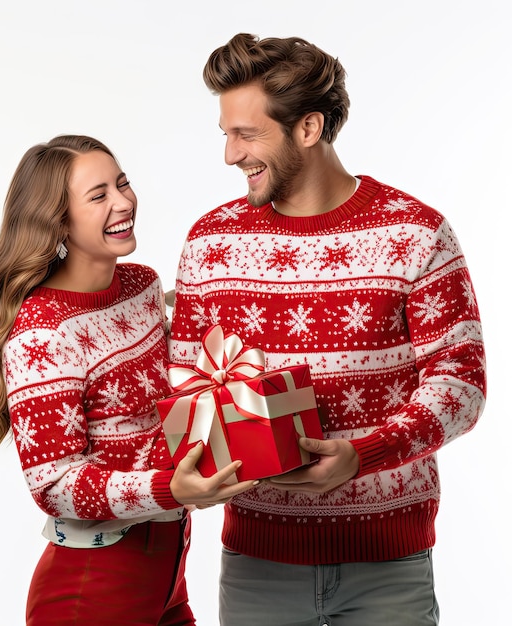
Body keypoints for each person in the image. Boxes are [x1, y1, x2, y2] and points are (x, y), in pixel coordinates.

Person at [168, 34, 486, 626]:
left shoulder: (415, 232)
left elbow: (461, 386)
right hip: (257, 567)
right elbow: (184, 383)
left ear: (308, 128)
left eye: (247, 134)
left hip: (389, 565)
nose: (230, 155)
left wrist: (363, 455)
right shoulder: (210, 244)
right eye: (225, 134)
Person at [0, 134, 256, 626]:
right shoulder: (43, 336)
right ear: (57, 221)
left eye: (122, 184)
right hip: (93, 584)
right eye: (98, 196)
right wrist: (171, 491)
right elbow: (53, 483)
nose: (123, 202)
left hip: (169, 571)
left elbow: (183, 390)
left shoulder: (142, 286)